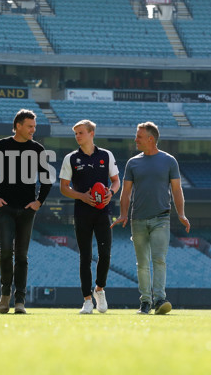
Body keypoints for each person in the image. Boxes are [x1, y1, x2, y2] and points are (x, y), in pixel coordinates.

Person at [112, 122, 190, 315]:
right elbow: (126, 192)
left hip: (161, 219)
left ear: (150, 139)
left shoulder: (169, 161)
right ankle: (145, 302)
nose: (135, 139)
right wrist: (123, 214)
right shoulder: (133, 163)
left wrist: (181, 214)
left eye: (139, 136)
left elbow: (177, 190)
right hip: (137, 220)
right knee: (142, 264)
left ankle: (160, 299)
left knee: (159, 260)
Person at [0, 109, 53, 314]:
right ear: (18, 126)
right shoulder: (1, 145)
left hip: (26, 211)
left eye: (34, 127)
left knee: (22, 256)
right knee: (5, 252)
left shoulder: (38, 149)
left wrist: (39, 202)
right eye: (30, 126)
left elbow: (47, 180)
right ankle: (5, 295)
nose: (33, 130)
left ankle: (20, 300)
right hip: (5, 210)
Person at [59, 120, 120, 314]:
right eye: (76, 133)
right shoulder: (70, 158)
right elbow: (63, 187)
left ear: (91, 133)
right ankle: (87, 300)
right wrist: (82, 196)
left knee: (105, 254)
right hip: (82, 213)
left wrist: (112, 192)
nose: (77, 136)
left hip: (103, 212)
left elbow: (116, 180)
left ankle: (99, 290)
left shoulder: (106, 155)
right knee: (85, 257)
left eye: (81, 133)